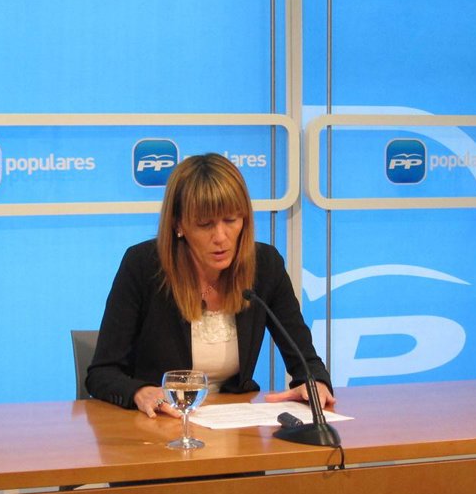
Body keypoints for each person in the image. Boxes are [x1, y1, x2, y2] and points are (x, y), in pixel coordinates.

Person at [86, 152, 334, 417]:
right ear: (178, 225)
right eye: (205, 224)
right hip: (161, 423)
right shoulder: (143, 266)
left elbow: (305, 360)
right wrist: (140, 392)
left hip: (236, 422)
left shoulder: (265, 265)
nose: (220, 237)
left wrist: (315, 383)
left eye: (231, 220)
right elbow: (102, 373)